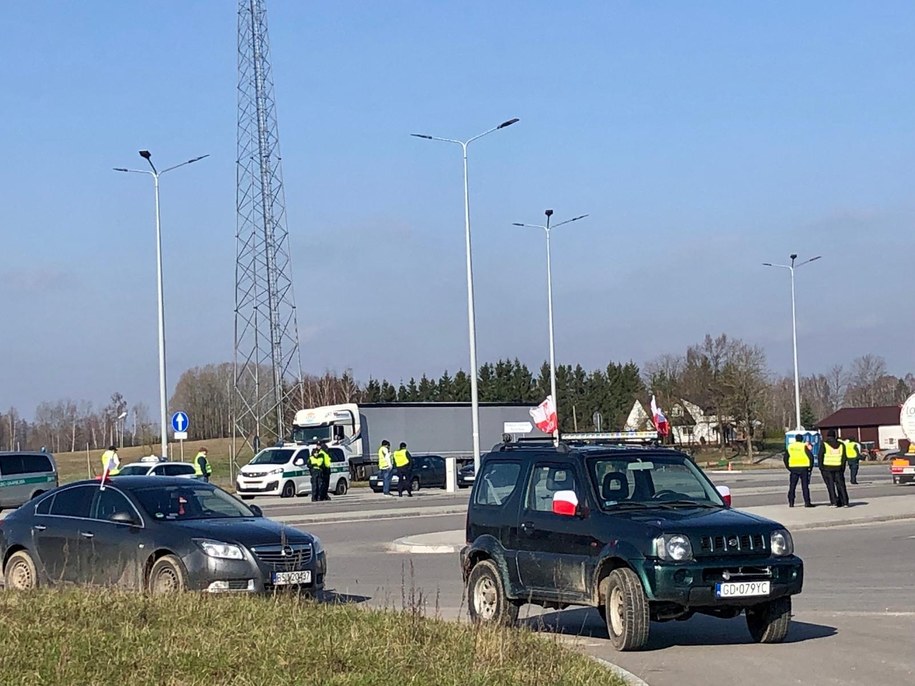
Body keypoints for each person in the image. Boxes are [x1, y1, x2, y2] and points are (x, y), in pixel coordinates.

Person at [819, 430, 849, 507]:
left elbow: (820, 456)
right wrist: (842, 467)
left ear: (828, 436)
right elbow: (844, 457)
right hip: (838, 467)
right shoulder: (842, 445)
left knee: (830, 486)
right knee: (841, 485)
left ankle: (834, 502)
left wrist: (821, 467)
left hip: (827, 467)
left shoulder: (825, 444)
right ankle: (845, 502)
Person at [783, 434, 815, 508]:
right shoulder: (803, 446)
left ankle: (791, 502)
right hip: (804, 468)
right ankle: (807, 502)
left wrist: (788, 467)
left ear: (796, 439)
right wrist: (810, 467)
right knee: (805, 486)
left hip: (793, 468)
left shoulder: (790, 446)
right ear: (802, 439)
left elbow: (785, 458)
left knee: (792, 486)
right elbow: (810, 457)